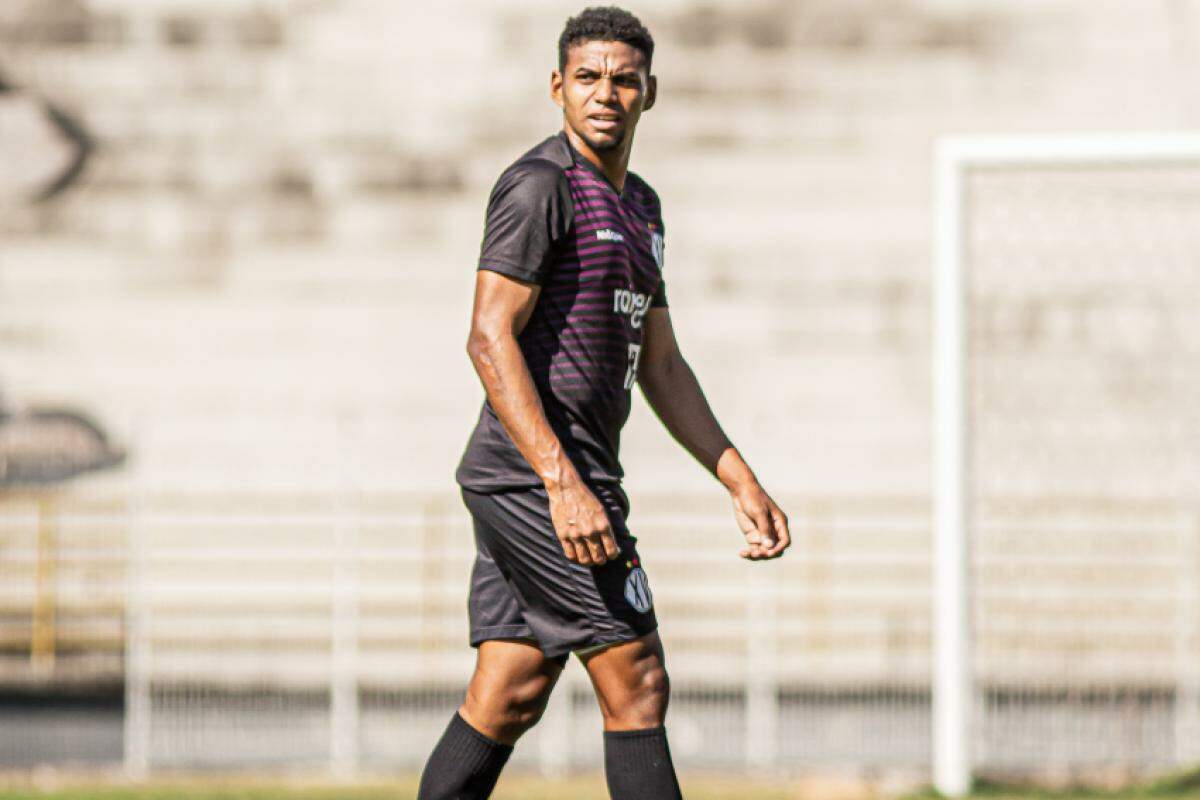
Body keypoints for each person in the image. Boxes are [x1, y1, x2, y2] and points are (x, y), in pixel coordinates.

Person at [417, 7, 791, 799]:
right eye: (588, 77)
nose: (605, 94)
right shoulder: (540, 186)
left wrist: (738, 478)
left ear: (651, 93)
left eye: (624, 80)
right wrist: (561, 484)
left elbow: (661, 361)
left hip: (562, 477)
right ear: (558, 87)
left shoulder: (643, 208)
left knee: (510, 689)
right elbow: (489, 338)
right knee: (639, 682)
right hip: (535, 479)